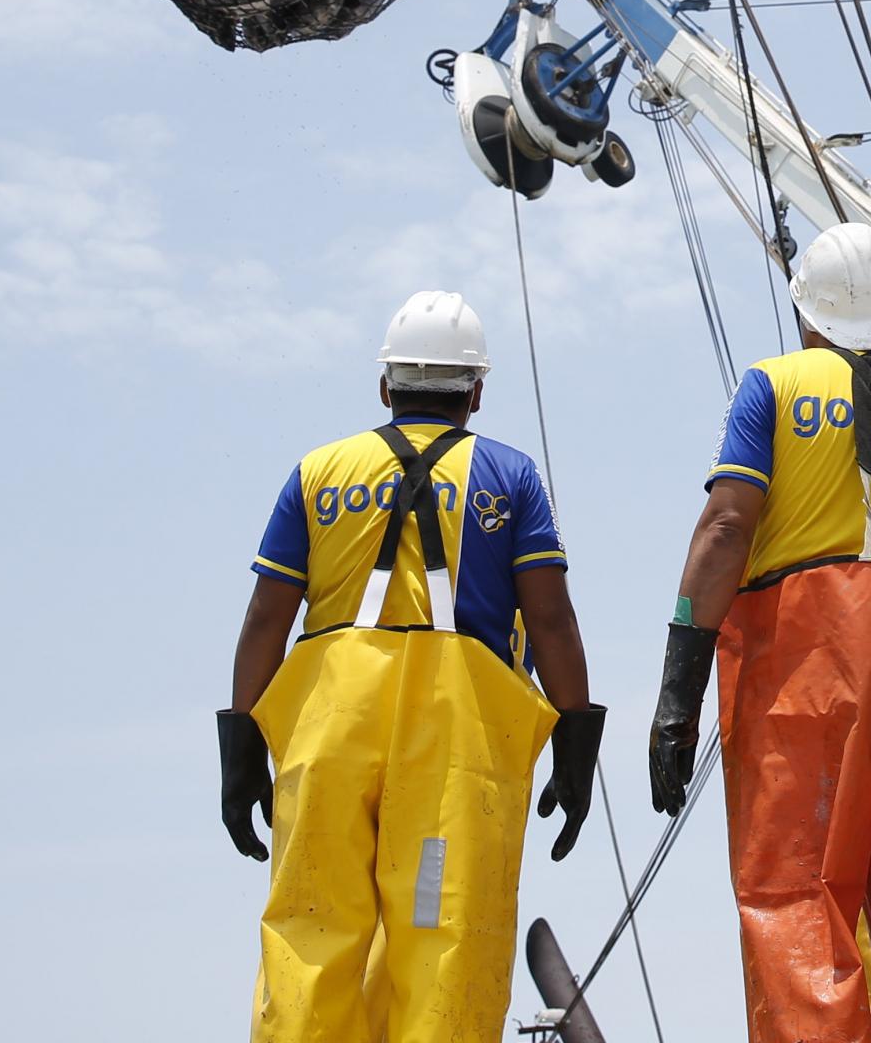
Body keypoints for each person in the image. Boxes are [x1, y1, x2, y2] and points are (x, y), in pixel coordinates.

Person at [646, 223, 871, 1043]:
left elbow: (726, 528)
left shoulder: (772, 388)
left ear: (807, 310)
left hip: (809, 676)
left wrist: (678, 694)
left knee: (801, 907)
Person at [219, 291, 603, 1043]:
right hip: (453, 751)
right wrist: (576, 742)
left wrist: (239, 749)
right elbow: (551, 619)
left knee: (312, 933)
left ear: (385, 386)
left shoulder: (318, 471)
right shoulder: (510, 476)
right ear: (476, 392)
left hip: (330, 738)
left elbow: (267, 618)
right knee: (442, 939)